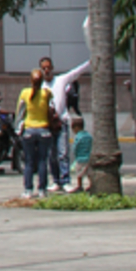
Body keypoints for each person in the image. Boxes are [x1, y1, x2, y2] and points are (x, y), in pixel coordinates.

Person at [39, 53, 91, 191]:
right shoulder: (40, 86)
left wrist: (90, 63)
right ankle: (56, 181)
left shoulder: (61, 80)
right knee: (52, 154)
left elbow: (76, 73)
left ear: (53, 68)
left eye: (49, 67)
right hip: (47, 125)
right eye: (44, 68)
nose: (46, 70)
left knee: (63, 153)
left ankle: (66, 180)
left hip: (61, 122)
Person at [16, 68, 54, 197]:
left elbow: (20, 113)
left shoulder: (25, 93)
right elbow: (52, 110)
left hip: (29, 130)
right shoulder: (47, 93)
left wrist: (17, 129)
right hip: (44, 130)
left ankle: (28, 190)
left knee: (29, 162)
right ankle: (42, 190)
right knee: (43, 160)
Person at [69, 114, 93, 191]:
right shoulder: (89, 135)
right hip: (88, 158)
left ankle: (80, 186)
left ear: (76, 128)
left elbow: (75, 147)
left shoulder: (78, 137)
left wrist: (74, 153)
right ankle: (91, 185)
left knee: (79, 174)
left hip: (80, 158)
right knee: (88, 173)